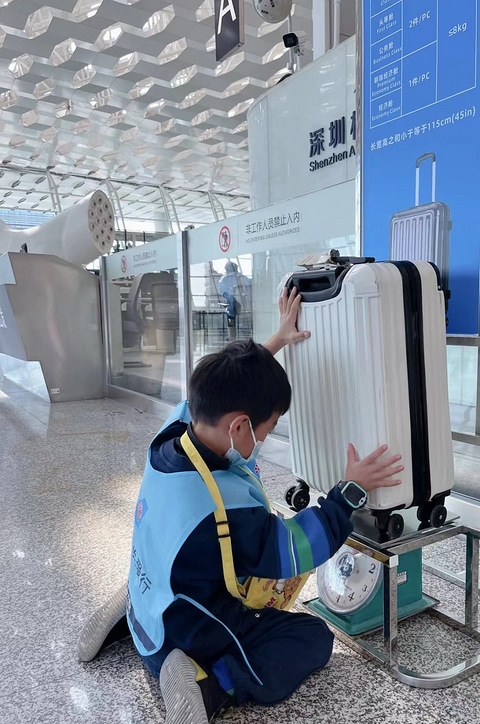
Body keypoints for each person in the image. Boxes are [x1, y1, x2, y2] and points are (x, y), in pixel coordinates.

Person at [78, 288, 403, 724]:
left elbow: (230, 389)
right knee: (310, 637)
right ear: (239, 426)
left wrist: (276, 343)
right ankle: (209, 686)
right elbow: (294, 548)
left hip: (158, 588)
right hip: (186, 633)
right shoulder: (224, 513)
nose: (264, 439)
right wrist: (349, 492)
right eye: (267, 428)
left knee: (181, 573)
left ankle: (136, 604)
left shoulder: (173, 432)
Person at [219, 261, 252, 339]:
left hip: (231, 307)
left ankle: (232, 337)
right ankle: (247, 337)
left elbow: (223, 293)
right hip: (246, 306)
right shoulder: (244, 278)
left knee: (231, 321)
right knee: (244, 323)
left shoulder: (224, 280)